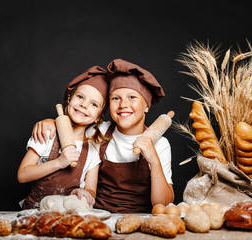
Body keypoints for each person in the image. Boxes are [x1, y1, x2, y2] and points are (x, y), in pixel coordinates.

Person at [31, 59, 174, 213]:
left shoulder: (160, 144)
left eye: (132, 97)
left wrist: (154, 159)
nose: (123, 104)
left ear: (146, 105)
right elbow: (77, 121)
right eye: (115, 98)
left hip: (141, 218)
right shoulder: (98, 132)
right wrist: (52, 122)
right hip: (99, 215)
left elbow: (163, 203)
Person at [17, 65, 108, 209]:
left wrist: (83, 192)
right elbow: (22, 175)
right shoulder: (48, 133)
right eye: (80, 97)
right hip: (34, 212)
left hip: (68, 217)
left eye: (94, 104)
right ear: (69, 99)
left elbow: (92, 190)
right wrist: (59, 162)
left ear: (98, 117)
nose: (84, 105)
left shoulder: (91, 150)